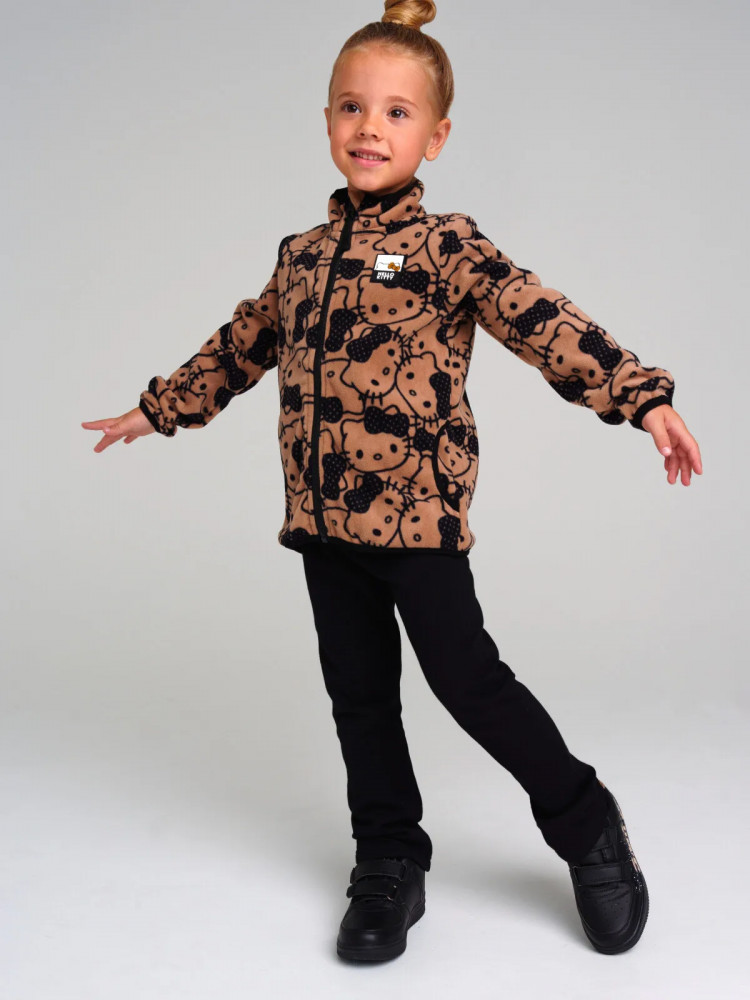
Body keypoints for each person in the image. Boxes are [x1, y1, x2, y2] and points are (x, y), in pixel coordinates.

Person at [82, 0, 702, 965]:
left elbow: (543, 320)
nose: (370, 128)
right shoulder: (300, 257)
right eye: (351, 107)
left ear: (436, 137)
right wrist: (155, 409)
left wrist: (641, 397)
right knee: (359, 697)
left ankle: (586, 823)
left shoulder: (447, 247)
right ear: (328, 120)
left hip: (416, 521)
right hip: (320, 524)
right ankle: (388, 858)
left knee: (469, 682)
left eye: (396, 112)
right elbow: (240, 345)